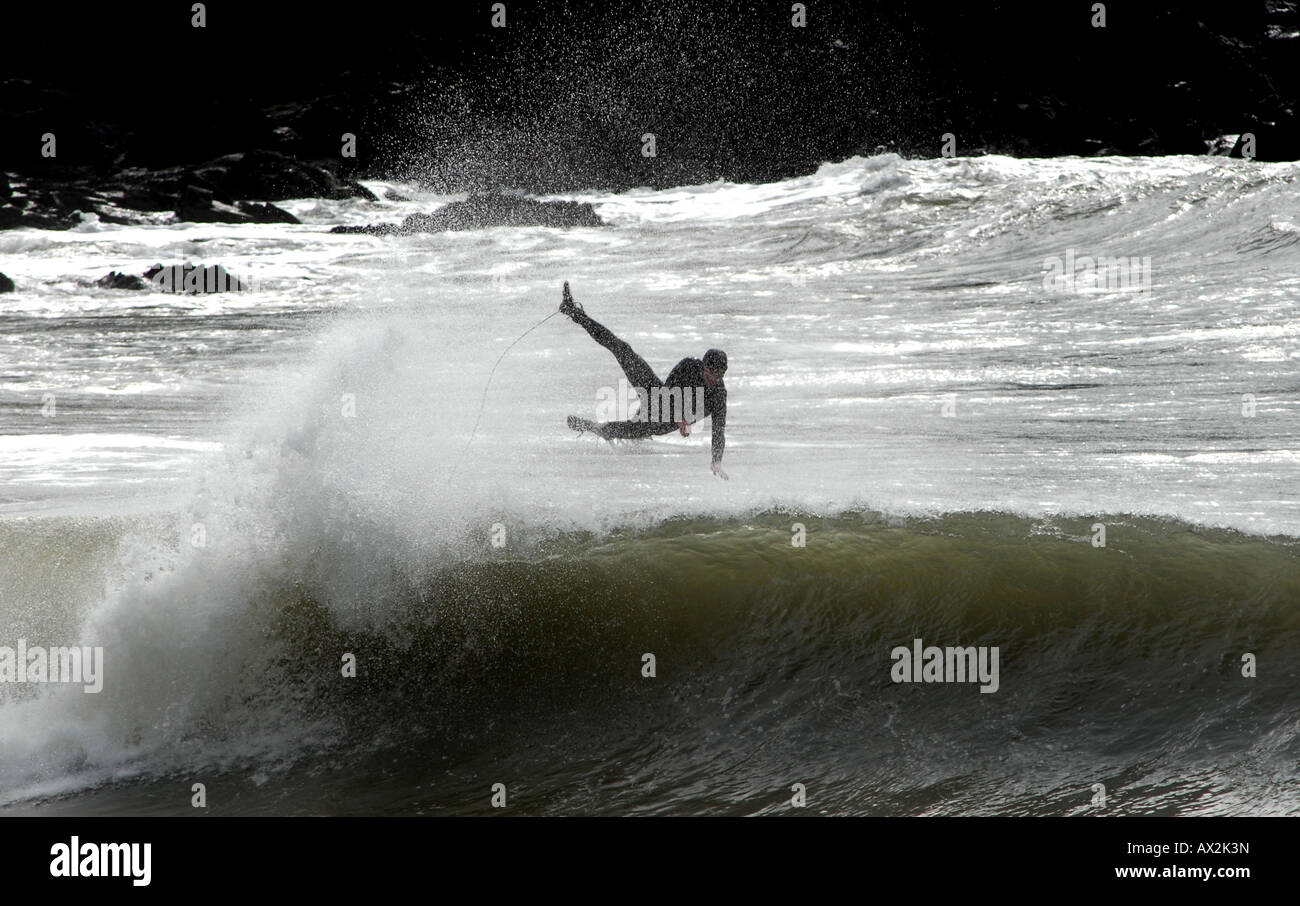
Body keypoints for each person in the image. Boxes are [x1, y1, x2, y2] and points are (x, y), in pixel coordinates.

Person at [560, 282, 729, 479]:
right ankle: (573, 312)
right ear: (703, 366)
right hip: (658, 397)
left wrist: (716, 460)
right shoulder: (689, 366)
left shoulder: (718, 395)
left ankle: (592, 426)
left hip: (661, 423)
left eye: (720, 375)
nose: (714, 379)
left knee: (619, 430)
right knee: (622, 349)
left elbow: (719, 430)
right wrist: (681, 417)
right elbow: (666, 392)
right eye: (711, 373)